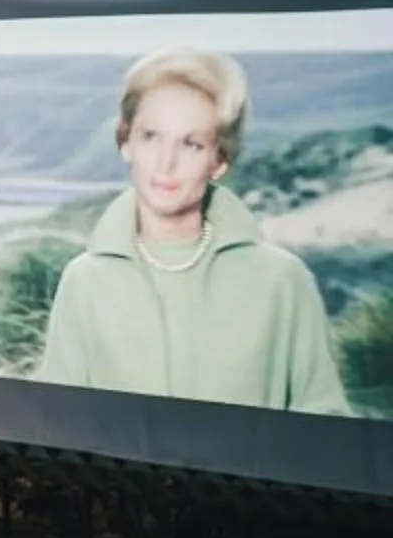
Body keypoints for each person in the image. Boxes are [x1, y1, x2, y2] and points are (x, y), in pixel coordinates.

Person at [36, 48, 351, 413]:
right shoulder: (84, 281)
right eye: (151, 137)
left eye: (191, 143)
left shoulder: (283, 281)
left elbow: (326, 426)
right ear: (127, 143)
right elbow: (55, 425)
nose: (165, 162)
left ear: (218, 160)